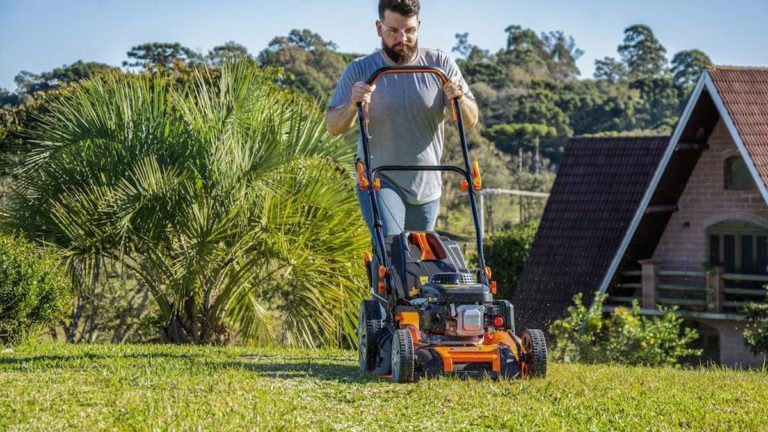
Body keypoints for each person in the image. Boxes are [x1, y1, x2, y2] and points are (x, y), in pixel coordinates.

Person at [326, 0, 478, 237]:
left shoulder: (440, 65)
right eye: (394, 31)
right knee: (392, 248)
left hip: (426, 185)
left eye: (409, 31)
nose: (402, 38)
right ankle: (383, 270)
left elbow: (471, 119)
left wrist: (458, 97)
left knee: (418, 262)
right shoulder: (360, 70)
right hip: (379, 178)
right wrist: (353, 105)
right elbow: (334, 127)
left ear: (418, 25)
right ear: (379, 28)